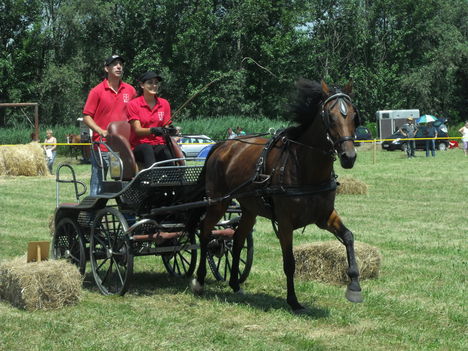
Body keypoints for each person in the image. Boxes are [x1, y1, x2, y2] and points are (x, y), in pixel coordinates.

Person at [82, 55, 136, 195]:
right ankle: (92, 214)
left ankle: (127, 215)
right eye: (115, 64)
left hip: (123, 148)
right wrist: (101, 131)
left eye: (121, 64)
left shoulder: (130, 90)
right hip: (102, 147)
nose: (119, 67)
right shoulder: (97, 91)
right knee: (98, 185)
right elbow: (87, 117)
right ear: (106, 68)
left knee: (125, 185)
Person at [127, 71, 177, 169]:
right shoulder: (133, 104)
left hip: (159, 144)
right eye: (150, 82)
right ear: (142, 85)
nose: (154, 85)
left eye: (156, 83)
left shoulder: (164, 104)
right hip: (140, 146)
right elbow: (138, 130)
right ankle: (150, 178)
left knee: (166, 151)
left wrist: (171, 131)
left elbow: (165, 127)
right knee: (147, 148)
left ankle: (175, 177)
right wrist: (154, 130)